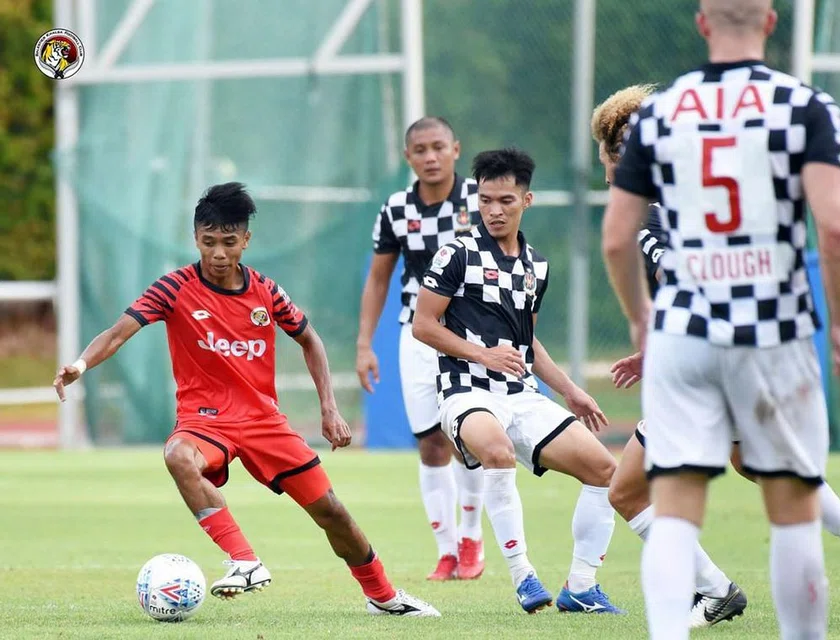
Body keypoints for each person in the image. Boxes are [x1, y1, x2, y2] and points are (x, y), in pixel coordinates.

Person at [602, 0, 840, 637]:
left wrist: (641, 320)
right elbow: (837, 227)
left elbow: (618, 239)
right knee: (790, 505)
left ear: (702, 24)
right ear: (772, 23)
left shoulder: (661, 115)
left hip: (684, 331)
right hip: (772, 329)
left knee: (671, 512)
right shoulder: (805, 107)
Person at [54, 183, 439, 617]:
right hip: (205, 421)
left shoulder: (266, 292)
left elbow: (310, 340)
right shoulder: (173, 288)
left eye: (229, 242)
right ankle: (244, 560)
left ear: (246, 240)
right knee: (179, 456)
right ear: (196, 238)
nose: (219, 253)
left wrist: (329, 409)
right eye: (208, 242)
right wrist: (81, 365)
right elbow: (116, 333)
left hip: (263, 422)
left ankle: (384, 597)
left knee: (332, 513)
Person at [412, 148, 625, 615]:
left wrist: (572, 391)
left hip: (521, 395)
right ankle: (523, 575)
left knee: (606, 471)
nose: (494, 210)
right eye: (485, 200)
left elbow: (528, 342)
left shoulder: (536, 265)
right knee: (496, 452)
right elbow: (423, 325)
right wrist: (482, 354)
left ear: (526, 200)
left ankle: (582, 587)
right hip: (465, 391)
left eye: (505, 200)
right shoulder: (457, 253)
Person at [594, 84, 748, 630]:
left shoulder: (645, 215)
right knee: (755, 465)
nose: (608, 174)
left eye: (609, 159)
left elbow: (673, 280)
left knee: (627, 491)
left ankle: (716, 590)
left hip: (692, 372)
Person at [356, 116, 486, 581]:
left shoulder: (479, 199)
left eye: (438, 147)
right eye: (420, 150)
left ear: (455, 149)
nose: (430, 157)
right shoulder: (395, 209)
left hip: (472, 335)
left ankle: (472, 538)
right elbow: (378, 278)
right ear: (408, 157)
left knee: (469, 436)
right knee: (430, 441)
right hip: (416, 335)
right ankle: (446, 549)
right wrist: (364, 344)